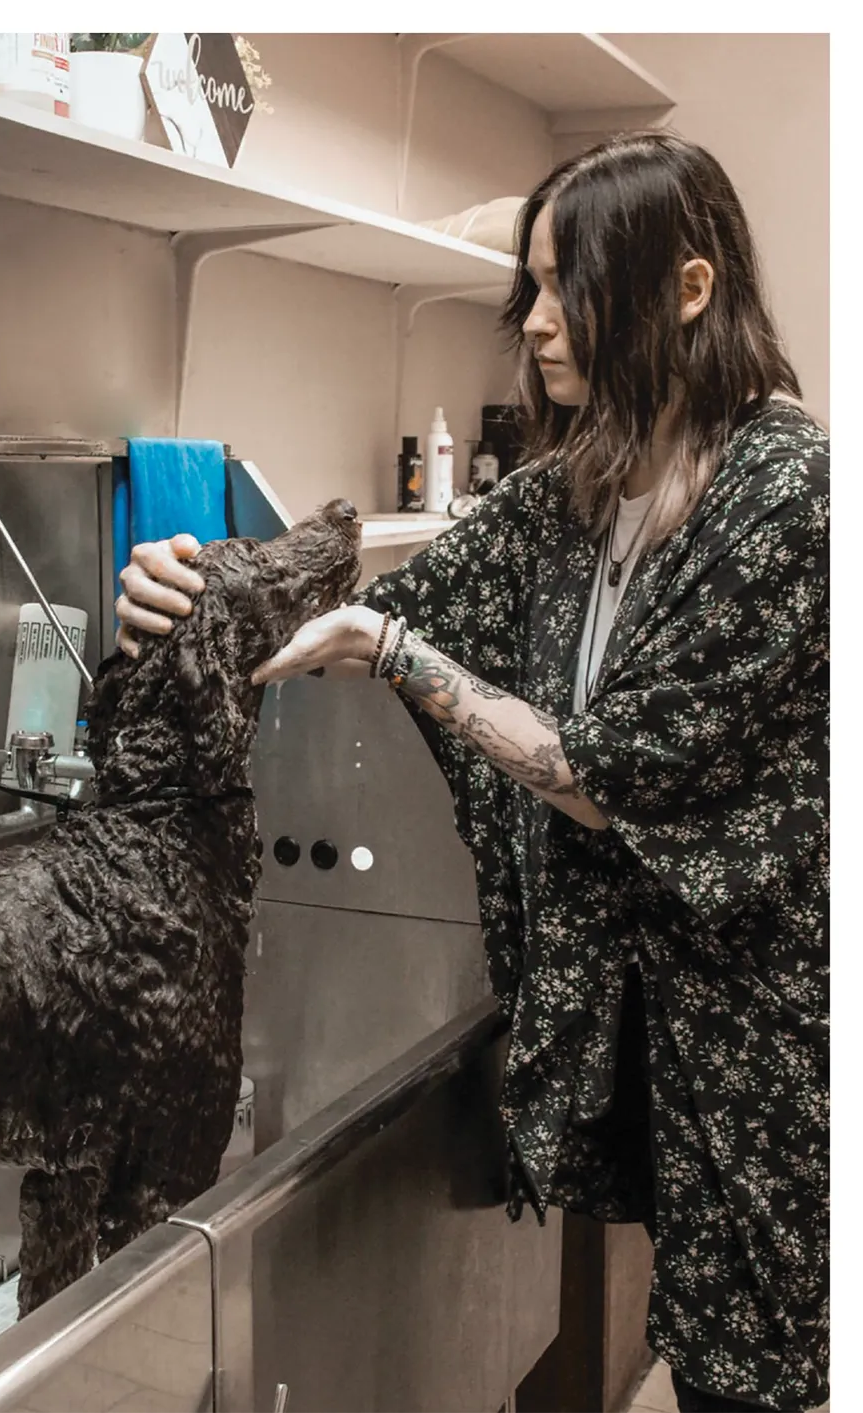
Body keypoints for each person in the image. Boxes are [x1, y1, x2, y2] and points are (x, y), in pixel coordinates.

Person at [114, 132, 829, 1413]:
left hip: (762, 1037)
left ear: (688, 288)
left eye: (570, 289)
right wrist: (185, 584)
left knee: (766, 1367)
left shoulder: (789, 497)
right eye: (533, 289)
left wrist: (393, 651)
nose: (539, 328)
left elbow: (604, 775)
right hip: (644, 1022)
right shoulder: (581, 486)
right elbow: (366, 597)